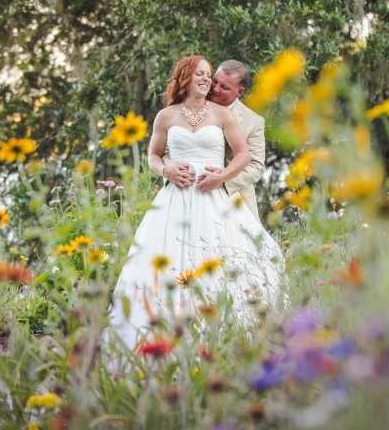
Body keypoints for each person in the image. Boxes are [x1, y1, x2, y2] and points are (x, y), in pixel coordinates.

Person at [105, 56, 283, 356]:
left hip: (214, 199)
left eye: (210, 76)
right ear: (185, 77)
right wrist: (168, 171)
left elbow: (243, 156)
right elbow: (154, 156)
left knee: (220, 265)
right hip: (175, 199)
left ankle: (223, 340)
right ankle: (166, 335)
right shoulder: (165, 115)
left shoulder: (222, 114)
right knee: (169, 263)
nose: (208, 81)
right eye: (202, 75)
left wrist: (222, 178)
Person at [162, 60, 266, 221]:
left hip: (235, 200)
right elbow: (168, 150)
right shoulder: (183, 108)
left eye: (224, 87)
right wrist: (172, 172)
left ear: (239, 92)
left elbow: (256, 166)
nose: (215, 89)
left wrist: (222, 181)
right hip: (184, 193)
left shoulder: (253, 121)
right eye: (215, 81)